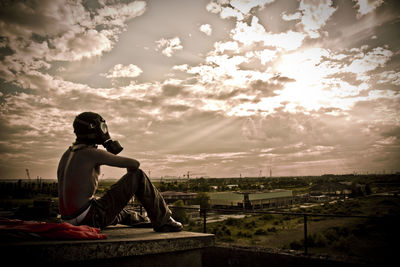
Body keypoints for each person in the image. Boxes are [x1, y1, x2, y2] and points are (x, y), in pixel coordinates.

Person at [57, 111, 182, 232]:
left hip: (69, 219)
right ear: (94, 129)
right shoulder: (90, 153)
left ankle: (147, 221)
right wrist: (109, 144)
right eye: (102, 127)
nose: (104, 131)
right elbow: (135, 164)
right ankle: (164, 221)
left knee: (123, 214)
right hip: (90, 219)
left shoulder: (67, 154)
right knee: (137, 175)